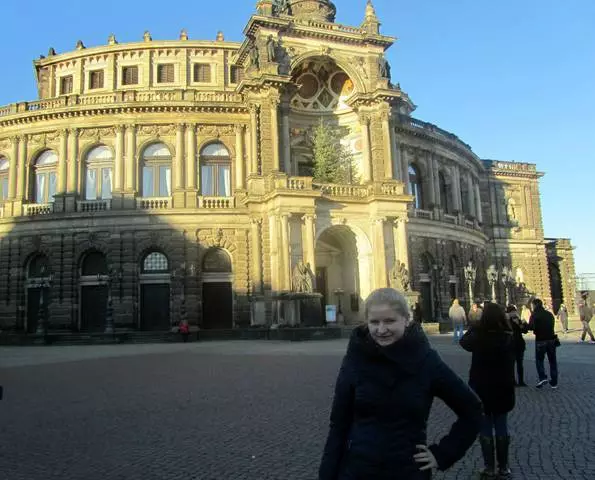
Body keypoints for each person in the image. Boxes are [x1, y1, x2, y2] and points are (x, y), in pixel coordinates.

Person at [319, 288, 482, 480]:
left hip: (407, 472)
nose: (381, 330)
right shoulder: (356, 358)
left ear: (406, 319)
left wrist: (442, 454)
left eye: (389, 321)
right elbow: (338, 425)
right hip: (358, 471)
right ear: (366, 322)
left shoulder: (425, 360)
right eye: (374, 322)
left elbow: (472, 410)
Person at [460, 303, 515, 479]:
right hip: (503, 387)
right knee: (501, 426)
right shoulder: (508, 336)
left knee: (485, 428)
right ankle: (504, 467)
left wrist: (475, 325)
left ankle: (489, 468)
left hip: (481, 387)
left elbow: (463, 342)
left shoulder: (478, 336)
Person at [528, 298, 558, 388]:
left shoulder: (534, 315)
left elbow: (531, 327)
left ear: (534, 305)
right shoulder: (549, 314)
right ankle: (554, 382)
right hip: (551, 340)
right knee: (552, 361)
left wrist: (524, 325)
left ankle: (542, 377)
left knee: (539, 360)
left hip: (541, 340)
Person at [506, 305, 528, 386]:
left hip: (519, 344)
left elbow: (525, 330)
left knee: (520, 364)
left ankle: (521, 381)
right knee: (511, 364)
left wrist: (521, 323)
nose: (514, 313)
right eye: (512, 312)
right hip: (510, 345)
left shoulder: (518, 320)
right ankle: (513, 381)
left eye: (514, 311)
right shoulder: (506, 321)